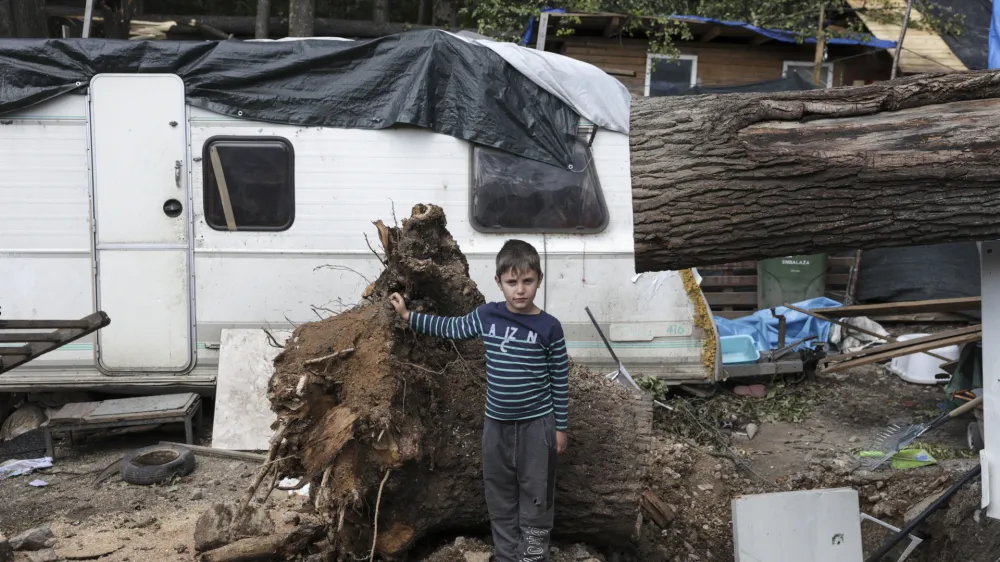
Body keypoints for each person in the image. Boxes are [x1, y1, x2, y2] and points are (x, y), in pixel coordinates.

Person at [388, 239, 569, 562]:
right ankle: (506, 554)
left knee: (537, 495)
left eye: (527, 281)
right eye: (512, 282)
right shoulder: (487, 316)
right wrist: (407, 316)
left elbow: (560, 379)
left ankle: (532, 555)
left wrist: (561, 428)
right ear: (498, 282)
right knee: (499, 493)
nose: (520, 290)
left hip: (537, 427)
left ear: (539, 279)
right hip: (496, 426)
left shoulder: (549, 327)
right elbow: (452, 328)